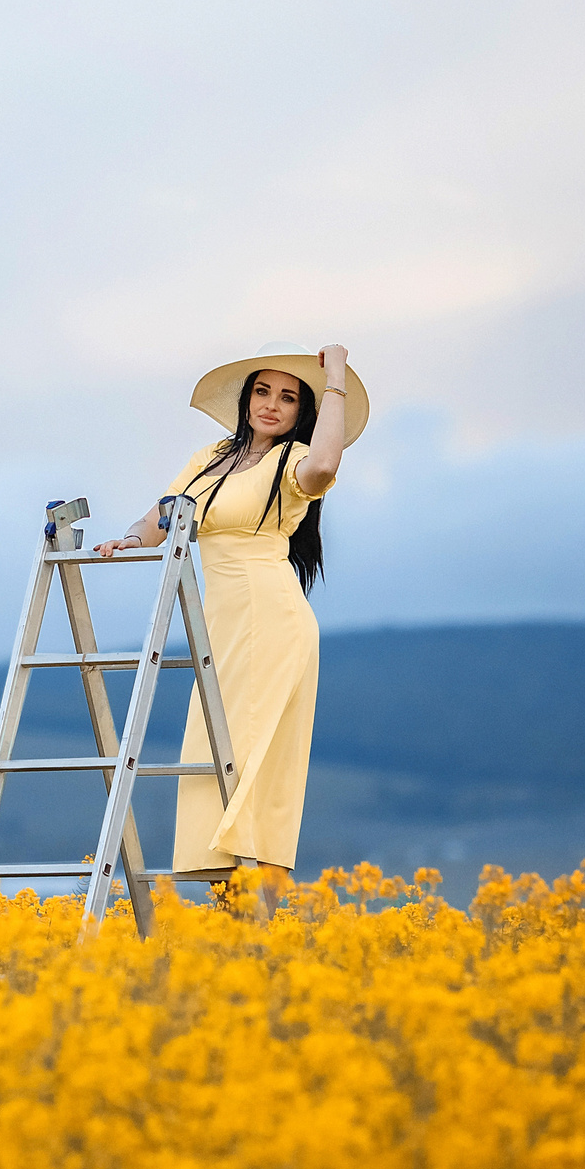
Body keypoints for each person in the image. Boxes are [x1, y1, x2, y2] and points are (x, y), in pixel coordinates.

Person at [95, 342, 367, 902]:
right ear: (247, 400)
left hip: (271, 622)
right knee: (214, 763)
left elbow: (325, 465)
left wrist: (335, 377)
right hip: (217, 629)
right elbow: (163, 514)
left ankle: (262, 930)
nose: (271, 405)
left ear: (302, 413)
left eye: (288, 398)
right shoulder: (213, 455)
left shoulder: (292, 461)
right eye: (262, 392)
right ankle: (239, 929)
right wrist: (127, 540)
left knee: (255, 770)